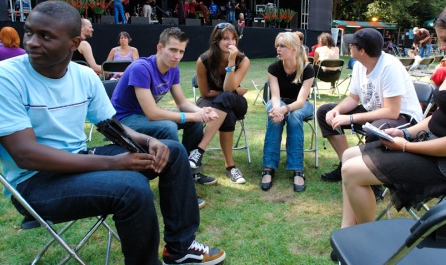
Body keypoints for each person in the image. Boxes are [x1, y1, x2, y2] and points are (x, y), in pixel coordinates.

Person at [0, 0, 226, 265]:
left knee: (172, 151)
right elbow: (26, 155)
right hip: (34, 183)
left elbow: (112, 127)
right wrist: (113, 162)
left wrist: (149, 140)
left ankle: (181, 248)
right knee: (132, 188)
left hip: (78, 161)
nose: (32, 42)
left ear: (74, 44)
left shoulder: (83, 76)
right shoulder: (8, 77)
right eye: (29, 32)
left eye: (45, 36)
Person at [337, 1, 446, 236]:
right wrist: (404, 133)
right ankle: (347, 230)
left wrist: (405, 145)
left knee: (353, 171)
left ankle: (367, 237)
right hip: (426, 145)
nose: (442, 46)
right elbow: (437, 118)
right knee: (349, 156)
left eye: (445, 40)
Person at [110, 27, 219, 186]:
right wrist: (192, 115)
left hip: (142, 117)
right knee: (168, 127)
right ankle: (175, 182)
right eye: (173, 50)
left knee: (195, 121)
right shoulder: (141, 68)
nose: (177, 56)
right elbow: (152, 113)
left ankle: (191, 172)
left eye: (181, 51)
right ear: (160, 48)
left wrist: (200, 111)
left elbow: (182, 102)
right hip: (123, 120)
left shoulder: (173, 68)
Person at [318, 28, 423, 183]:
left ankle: (371, 179)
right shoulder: (360, 64)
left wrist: (351, 118)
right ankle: (346, 165)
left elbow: (392, 112)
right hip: (375, 112)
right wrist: (336, 110)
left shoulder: (389, 66)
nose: (349, 46)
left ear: (362, 50)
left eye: (352, 44)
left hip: (404, 117)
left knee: (376, 130)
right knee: (324, 111)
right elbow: (353, 98)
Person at [192, 22, 251, 184]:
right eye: (225, 38)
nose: (230, 42)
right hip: (210, 100)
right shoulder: (203, 61)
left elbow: (228, 87)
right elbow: (205, 93)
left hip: (235, 102)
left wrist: (231, 62)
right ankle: (230, 167)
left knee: (227, 98)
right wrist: (233, 91)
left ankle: (199, 150)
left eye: (234, 38)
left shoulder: (243, 60)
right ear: (216, 40)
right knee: (227, 113)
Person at [260, 32, 314, 192]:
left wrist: (284, 110)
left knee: (294, 116)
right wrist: (277, 109)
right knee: (272, 109)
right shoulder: (274, 68)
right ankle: (268, 167)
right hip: (280, 101)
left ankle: (297, 169)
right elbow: (275, 96)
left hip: (300, 105)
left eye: (283, 46)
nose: (278, 49)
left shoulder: (307, 69)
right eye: (277, 45)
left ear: (294, 49)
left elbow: (300, 102)